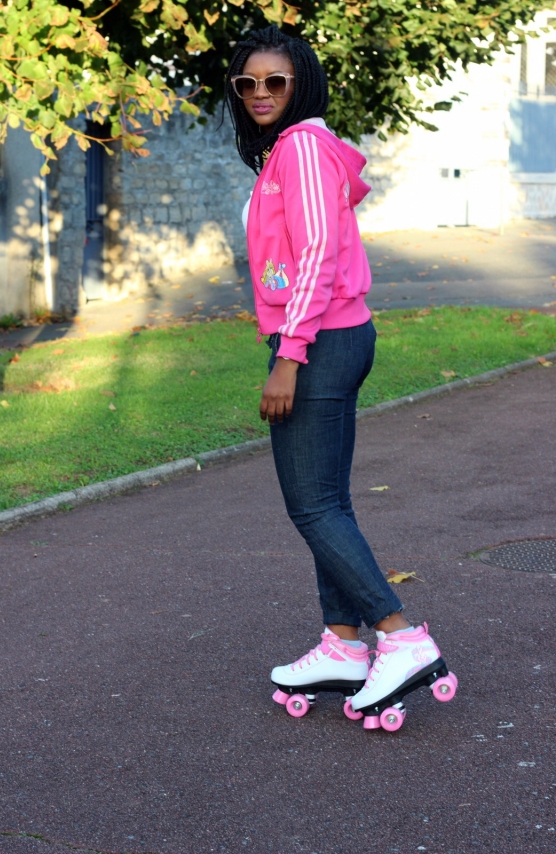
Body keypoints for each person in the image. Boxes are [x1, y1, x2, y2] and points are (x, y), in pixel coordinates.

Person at [224, 25, 455, 727]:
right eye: (247, 83)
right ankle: (343, 645)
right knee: (327, 501)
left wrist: (289, 354)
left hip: (318, 342)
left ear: (302, 84)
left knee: (313, 507)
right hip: (334, 336)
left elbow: (319, 250)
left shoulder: (299, 148)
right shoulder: (297, 148)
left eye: (276, 81)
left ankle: (399, 636)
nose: (260, 93)